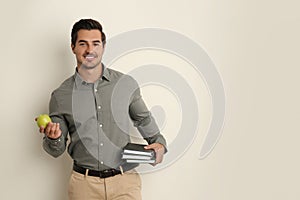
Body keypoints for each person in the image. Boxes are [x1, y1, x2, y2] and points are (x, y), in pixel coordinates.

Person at [36, 18, 167, 200]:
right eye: (83, 44)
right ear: (73, 47)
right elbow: (55, 150)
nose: (90, 50)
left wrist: (159, 142)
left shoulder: (125, 84)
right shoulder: (61, 95)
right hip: (84, 185)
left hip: (125, 182)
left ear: (103, 47)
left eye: (95, 43)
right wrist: (53, 137)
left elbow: (143, 119)